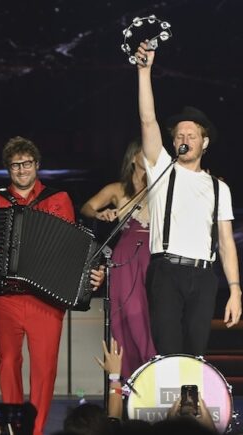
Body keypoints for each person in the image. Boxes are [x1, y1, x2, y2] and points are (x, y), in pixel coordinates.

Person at [0, 136, 106, 435]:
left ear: (37, 165)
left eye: (26, 164)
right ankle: (14, 427)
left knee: (44, 369)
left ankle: (34, 431)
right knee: (8, 362)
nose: (22, 170)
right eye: (15, 165)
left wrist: (93, 273)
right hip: (6, 296)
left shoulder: (58, 199)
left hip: (46, 300)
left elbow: (72, 246)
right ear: (7, 169)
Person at [134, 41, 242, 356]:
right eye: (179, 135)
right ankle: (171, 405)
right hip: (166, 271)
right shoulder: (161, 169)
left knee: (196, 353)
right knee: (169, 351)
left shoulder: (218, 187)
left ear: (204, 142)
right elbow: (147, 120)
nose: (184, 140)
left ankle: (191, 406)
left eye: (191, 135)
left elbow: (226, 242)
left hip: (204, 275)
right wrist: (144, 72)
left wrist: (234, 290)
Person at [81, 139, 157, 379]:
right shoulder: (117, 189)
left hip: (154, 255)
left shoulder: (161, 186)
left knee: (152, 316)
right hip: (125, 258)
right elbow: (87, 207)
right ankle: (129, 380)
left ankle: (155, 373)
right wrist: (100, 213)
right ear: (133, 157)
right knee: (128, 315)